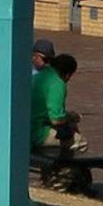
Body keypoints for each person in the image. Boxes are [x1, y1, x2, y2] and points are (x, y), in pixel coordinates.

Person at [30, 52, 88, 190]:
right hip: (38, 133)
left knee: (66, 133)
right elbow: (56, 118)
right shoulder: (58, 83)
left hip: (27, 127)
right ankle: (61, 179)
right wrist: (72, 117)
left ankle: (47, 176)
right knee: (80, 142)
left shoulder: (41, 76)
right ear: (68, 74)